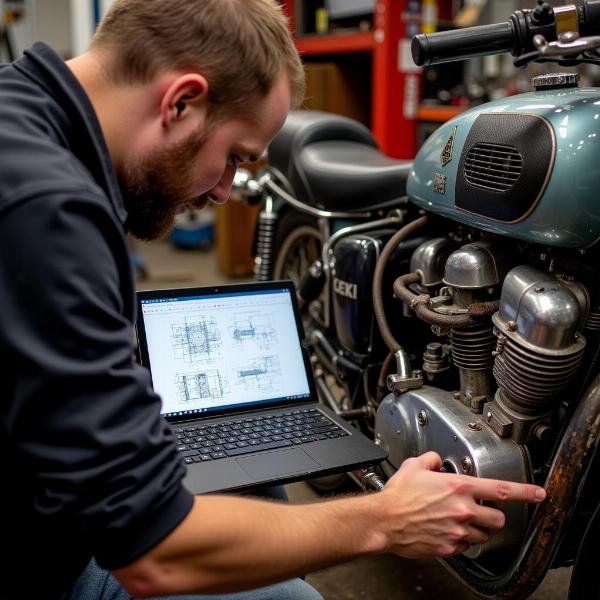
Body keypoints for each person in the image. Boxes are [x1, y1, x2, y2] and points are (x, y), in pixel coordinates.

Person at [0, 1, 547, 599]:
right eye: (235, 155)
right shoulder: (50, 214)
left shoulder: (22, 111)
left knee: (254, 484)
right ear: (180, 101)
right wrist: (385, 520)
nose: (224, 191)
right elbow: (153, 552)